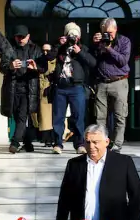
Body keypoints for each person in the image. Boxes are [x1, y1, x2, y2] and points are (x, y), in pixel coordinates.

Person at [49, 22, 97, 155]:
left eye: (75, 35)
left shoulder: (83, 49)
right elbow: (49, 57)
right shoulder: (60, 49)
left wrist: (80, 52)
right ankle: (58, 144)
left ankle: (80, 144)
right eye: (70, 35)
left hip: (76, 87)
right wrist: (60, 45)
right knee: (58, 117)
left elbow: (93, 63)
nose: (72, 38)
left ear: (79, 37)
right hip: (60, 87)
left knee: (78, 117)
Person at [0, 25, 48, 154]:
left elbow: (44, 67)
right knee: (16, 116)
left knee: (22, 116)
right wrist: (10, 65)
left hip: (28, 88)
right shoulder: (10, 50)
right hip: (13, 88)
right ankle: (27, 142)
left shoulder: (36, 49)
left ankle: (15, 142)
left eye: (23, 37)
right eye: (18, 37)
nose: (20, 39)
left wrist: (36, 67)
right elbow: (1, 68)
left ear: (28, 36)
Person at [90, 17, 132, 152]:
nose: (108, 35)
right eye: (105, 33)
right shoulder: (100, 42)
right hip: (102, 83)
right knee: (100, 116)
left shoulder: (124, 41)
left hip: (119, 82)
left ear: (116, 29)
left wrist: (109, 48)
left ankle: (117, 145)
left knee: (120, 115)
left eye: (110, 32)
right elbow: (92, 61)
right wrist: (95, 45)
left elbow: (123, 61)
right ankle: (102, 143)